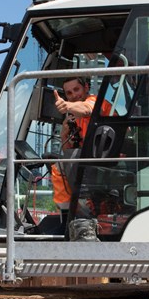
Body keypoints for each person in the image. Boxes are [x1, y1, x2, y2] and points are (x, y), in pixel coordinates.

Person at [50, 76, 103, 230]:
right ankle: (69, 215)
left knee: (62, 165)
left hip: (107, 160)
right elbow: (68, 152)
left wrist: (66, 105)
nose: (74, 95)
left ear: (86, 87)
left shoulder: (96, 101)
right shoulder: (74, 117)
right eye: (69, 93)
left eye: (76, 90)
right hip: (90, 162)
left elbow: (87, 109)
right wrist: (64, 135)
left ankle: (83, 214)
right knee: (59, 165)